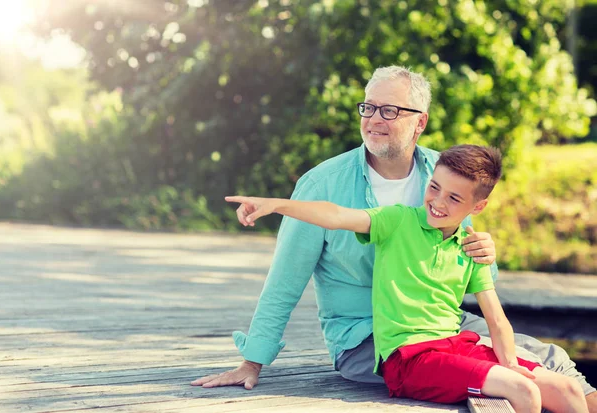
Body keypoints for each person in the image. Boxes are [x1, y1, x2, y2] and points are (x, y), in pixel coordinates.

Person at [192, 65, 596, 409]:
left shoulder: (445, 172)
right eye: (368, 107)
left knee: (555, 363)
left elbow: (465, 259)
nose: (373, 119)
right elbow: (284, 282)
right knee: (522, 384)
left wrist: (486, 253)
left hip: (442, 325)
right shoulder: (322, 184)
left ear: (419, 121)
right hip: (370, 340)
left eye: (389, 110)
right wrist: (253, 361)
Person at [222, 144, 588, 412]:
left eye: (454, 198)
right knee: (522, 391)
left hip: (453, 343)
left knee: (568, 392)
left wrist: (506, 360)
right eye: (434, 188)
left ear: (477, 208)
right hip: (408, 358)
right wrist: (276, 204)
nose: (438, 203)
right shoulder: (397, 221)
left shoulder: (469, 246)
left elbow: (497, 319)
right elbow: (334, 215)